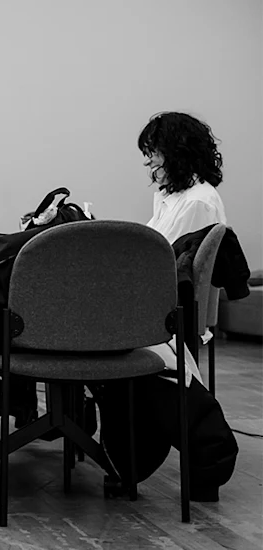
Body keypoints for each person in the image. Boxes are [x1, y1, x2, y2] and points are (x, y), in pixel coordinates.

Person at [95, 111, 238, 501]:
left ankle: (39, 411)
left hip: (162, 313)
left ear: (176, 153)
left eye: (153, 155)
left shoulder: (198, 203)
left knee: (67, 322)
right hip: (152, 303)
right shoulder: (173, 197)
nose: (149, 165)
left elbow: (158, 267)